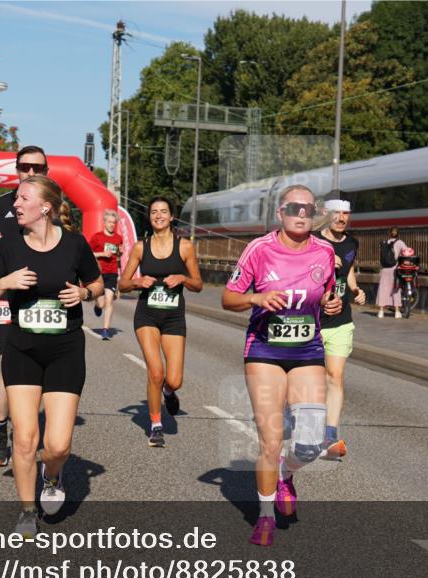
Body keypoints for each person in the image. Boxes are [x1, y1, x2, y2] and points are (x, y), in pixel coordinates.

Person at [0, 174, 103, 538]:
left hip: (65, 350)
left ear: (45, 207)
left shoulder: (75, 245)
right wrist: (3, 283)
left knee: (57, 445)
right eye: (15, 198)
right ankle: (27, 510)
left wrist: (85, 295)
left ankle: (54, 474)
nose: (15, 204)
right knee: (26, 439)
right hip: (22, 351)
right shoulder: (9, 246)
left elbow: (97, 284)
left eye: (22, 198)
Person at [221, 184, 340, 547]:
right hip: (265, 351)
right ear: (280, 213)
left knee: (308, 444)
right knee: (271, 442)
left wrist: (332, 307)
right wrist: (256, 297)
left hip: (307, 351)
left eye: (307, 208)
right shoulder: (260, 249)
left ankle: (287, 475)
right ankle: (265, 516)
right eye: (293, 208)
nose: (301, 214)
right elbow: (228, 298)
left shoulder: (324, 252)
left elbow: (329, 296)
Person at [0, 145, 50, 466]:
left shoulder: (54, 205)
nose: (31, 172)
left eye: (38, 167)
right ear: (17, 169)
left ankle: (30, 427)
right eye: (25, 167)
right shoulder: (0, 205)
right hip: (6, 298)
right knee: (9, 363)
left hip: (43, 299)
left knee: (41, 368)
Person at [118, 196, 203, 447]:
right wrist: (135, 282)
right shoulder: (140, 247)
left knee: (174, 379)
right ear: (150, 216)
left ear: (171, 216)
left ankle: (168, 392)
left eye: (163, 211)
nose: (158, 215)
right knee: (156, 372)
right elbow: (122, 283)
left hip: (174, 316)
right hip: (147, 314)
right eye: (154, 212)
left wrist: (183, 278)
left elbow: (198, 284)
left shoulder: (185, 247)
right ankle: (156, 425)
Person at [317, 199, 366, 459]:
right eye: (337, 212)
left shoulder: (352, 243)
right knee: (310, 378)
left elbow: (349, 271)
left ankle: (330, 434)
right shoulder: (311, 240)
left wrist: (357, 290)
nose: (342, 217)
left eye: (346, 212)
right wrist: (323, 261)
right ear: (325, 213)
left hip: (341, 320)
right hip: (311, 320)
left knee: (335, 376)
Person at [88, 208, 124, 340]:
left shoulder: (118, 238)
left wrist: (121, 252)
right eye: (109, 222)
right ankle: (97, 306)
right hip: (98, 273)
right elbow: (88, 253)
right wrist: (102, 254)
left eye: (113, 223)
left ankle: (105, 330)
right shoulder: (97, 237)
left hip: (112, 273)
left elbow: (119, 256)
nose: (111, 225)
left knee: (109, 300)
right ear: (104, 222)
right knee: (102, 304)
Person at [375, 226, 408, 318]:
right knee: (395, 289)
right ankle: (397, 312)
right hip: (394, 269)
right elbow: (407, 252)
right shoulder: (399, 242)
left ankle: (381, 311)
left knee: (383, 289)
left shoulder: (385, 242)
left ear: (389, 234)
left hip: (385, 269)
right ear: (398, 234)